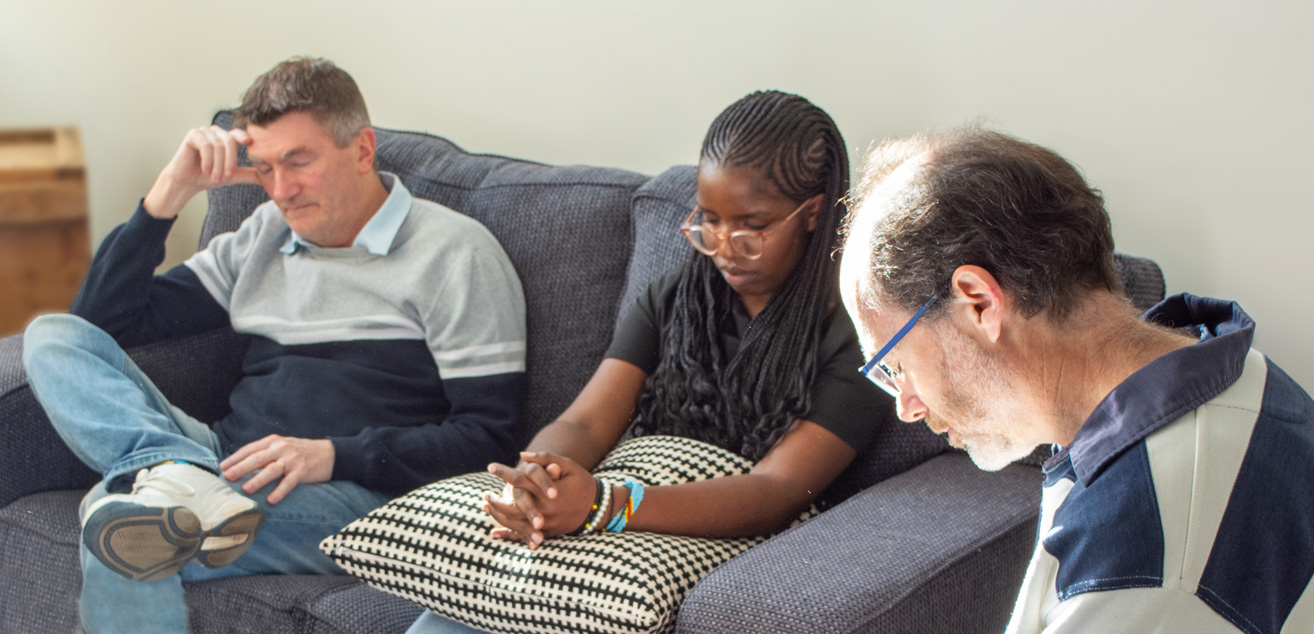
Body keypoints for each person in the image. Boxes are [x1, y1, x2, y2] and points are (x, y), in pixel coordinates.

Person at [21, 57, 527, 633]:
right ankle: (176, 469)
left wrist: (332, 454)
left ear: (362, 150)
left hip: (355, 492)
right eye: (263, 167)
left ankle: (176, 494)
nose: (281, 190)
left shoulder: (456, 255)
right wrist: (170, 192)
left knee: (120, 531)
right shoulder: (263, 237)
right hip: (218, 458)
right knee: (53, 336)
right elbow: (102, 324)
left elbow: (490, 439)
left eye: (298, 161)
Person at [406, 90, 892, 633]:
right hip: (614, 521)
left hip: (689, 545)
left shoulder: (859, 333)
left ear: (814, 214)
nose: (724, 248)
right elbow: (585, 422)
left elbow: (776, 493)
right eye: (708, 221)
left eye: (751, 228)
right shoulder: (675, 299)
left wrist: (605, 504)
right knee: (456, 612)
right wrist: (539, 476)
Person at [837, 126, 1314, 633]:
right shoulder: (1240, 374)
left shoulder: (1147, 560)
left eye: (894, 365)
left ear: (978, 301)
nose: (906, 406)